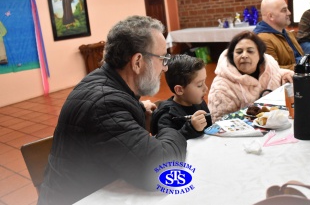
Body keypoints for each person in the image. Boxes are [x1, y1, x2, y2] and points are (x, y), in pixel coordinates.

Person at [38, 16, 195, 205]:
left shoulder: (103, 82)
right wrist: (168, 125)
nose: (165, 66)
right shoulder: (104, 105)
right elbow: (159, 169)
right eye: (162, 58)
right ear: (137, 62)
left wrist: (138, 108)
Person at [208, 31, 294, 123]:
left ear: (260, 55)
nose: (244, 55)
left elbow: (278, 73)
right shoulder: (221, 87)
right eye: (239, 52)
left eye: (250, 51)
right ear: (232, 55)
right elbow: (219, 123)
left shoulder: (271, 70)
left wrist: (286, 74)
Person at [253, 0, 310, 70]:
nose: (289, 13)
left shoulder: (287, 33)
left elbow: (298, 59)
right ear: (271, 16)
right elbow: (273, 71)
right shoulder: (262, 39)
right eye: (284, 10)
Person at [151, 54, 212, 139]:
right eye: (199, 85)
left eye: (204, 82)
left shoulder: (199, 103)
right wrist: (191, 128)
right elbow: (167, 143)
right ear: (179, 90)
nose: (206, 88)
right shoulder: (167, 116)